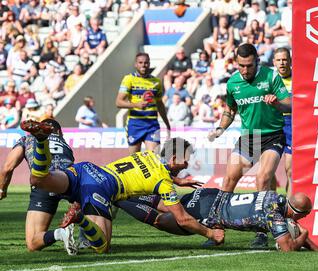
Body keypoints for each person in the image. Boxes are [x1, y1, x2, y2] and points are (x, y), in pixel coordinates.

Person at [19, 121, 225, 254]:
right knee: (102, 246)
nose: (187, 166)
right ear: (173, 159)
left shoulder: (148, 154)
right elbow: (183, 219)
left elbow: (153, 170)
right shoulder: (163, 182)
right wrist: (210, 234)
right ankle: (79, 218)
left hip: (84, 170)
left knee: (39, 179)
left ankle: (41, 142)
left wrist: (177, 180)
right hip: (100, 188)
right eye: (185, 161)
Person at [208, 43, 291, 249]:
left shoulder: (271, 77)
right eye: (241, 66)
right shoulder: (233, 83)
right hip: (249, 137)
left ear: (257, 62)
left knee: (262, 178)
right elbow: (230, 110)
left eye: (249, 66)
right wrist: (220, 129)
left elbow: (290, 103)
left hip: (273, 136)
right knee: (229, 179)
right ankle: (216, 229)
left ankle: (261, 233)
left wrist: (277, 104)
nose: (245, 70)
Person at [116, 188, 318, 253]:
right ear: (296, 212)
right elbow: (288, 248)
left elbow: (291, 226)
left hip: (209, 195)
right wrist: (305, 236)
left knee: (164, 203)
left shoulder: (274, 197)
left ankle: (124, 193)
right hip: (208, 211)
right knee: (161, 220)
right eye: (304, 215)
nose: (304, 219)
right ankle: (117, 200)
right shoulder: (275, 215)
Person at [0, 119, 77, 255]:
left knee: (32, 243)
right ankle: (85, 237)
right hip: (69, 180)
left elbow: (7, 168)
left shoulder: (26, 139)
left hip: (44, 183)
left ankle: (59, 234)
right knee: (85, 207)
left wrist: (2, 189)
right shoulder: (65, 144)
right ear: (59, 132)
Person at [116, 52, 171, 154]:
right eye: (140, 62)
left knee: (154, 159)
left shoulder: (156, 82)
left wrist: (167, 123)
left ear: (149, 64)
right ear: (135, 64)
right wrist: (136, 105)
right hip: (135, 124)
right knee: (134, 160)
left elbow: (160, 104)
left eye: (146, 63)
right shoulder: (129, 79)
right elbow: (119, 102)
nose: (143, 65)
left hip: (152, 125)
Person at [273, 47, 292, 196]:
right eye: (279, 60)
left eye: (284, 59)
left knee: (290, 169)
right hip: (272, 125)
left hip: (292, 124)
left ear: (290, 61)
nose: (282, 63)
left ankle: (289, 211)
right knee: (267, 170)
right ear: (274, 62)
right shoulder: (269, 79)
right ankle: (269, 206)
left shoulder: (299, 79)